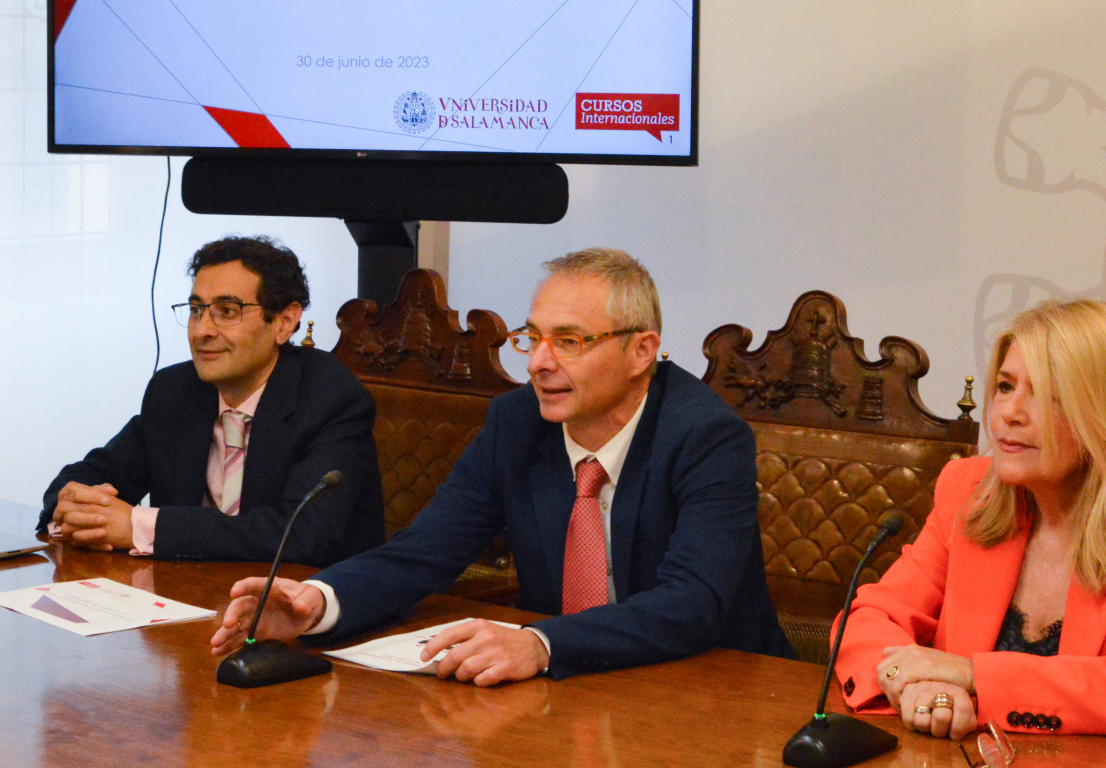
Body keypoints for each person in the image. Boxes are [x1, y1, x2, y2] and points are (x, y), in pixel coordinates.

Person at [210, 248, 793, 684]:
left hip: (711, 686)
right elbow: (426, 550)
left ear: (641, 351)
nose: (539, 363)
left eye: (569, 341)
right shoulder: (517, 425)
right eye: (533, 338)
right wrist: (317, 602)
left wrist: (540, 643)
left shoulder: (706, 437)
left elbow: (691, 604)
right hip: (564, 689)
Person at [834, 300, 1106, 738]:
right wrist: (908, 687)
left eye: (1047, 393)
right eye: (1005, 386)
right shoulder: (967, 491)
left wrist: (972, 675)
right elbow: (866, 620)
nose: (1009, 413)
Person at [39, 235, 382, 567]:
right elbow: (92, 473)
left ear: (283, 322)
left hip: (298, 605)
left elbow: (300, 534)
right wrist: (74, 505)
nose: (201, 330)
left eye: (227, 311)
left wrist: (139, 526)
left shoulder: (331, 400)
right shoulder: (174, 391)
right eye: (196, 310)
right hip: (181, 598)